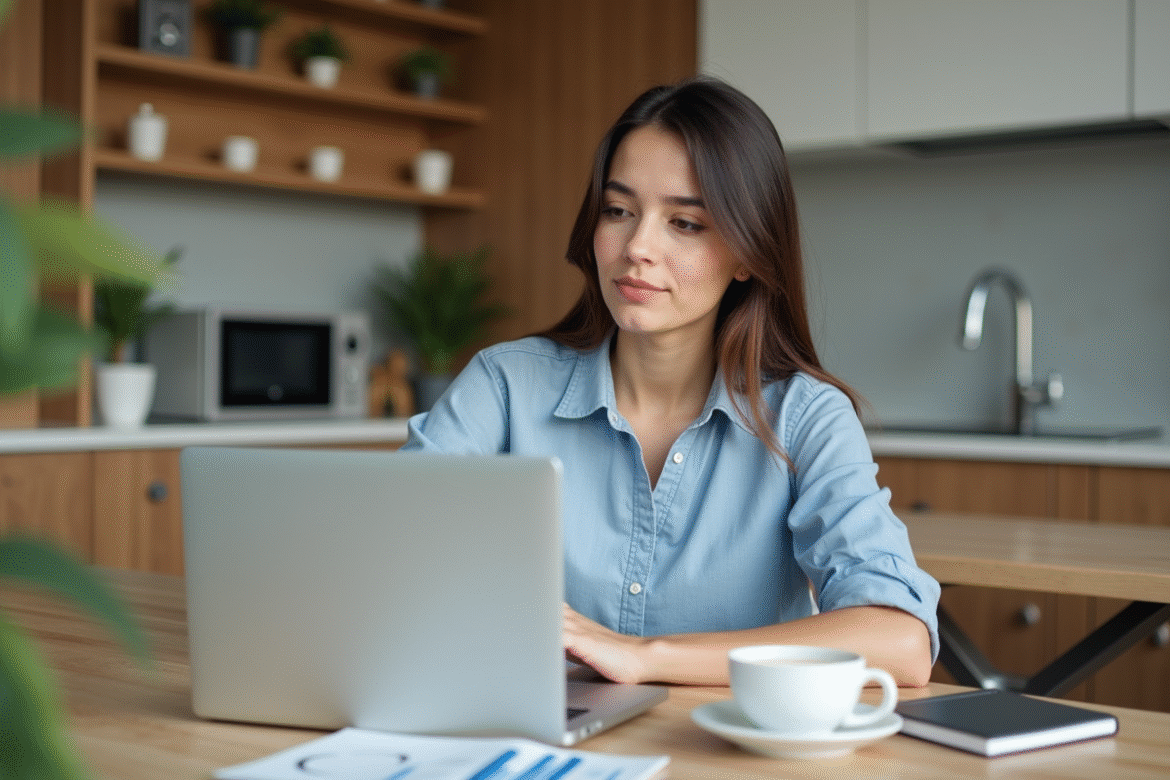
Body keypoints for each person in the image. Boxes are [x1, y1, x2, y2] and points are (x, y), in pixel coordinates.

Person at [400, 76, 940, 687]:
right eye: (618, 211)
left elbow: (901, 640)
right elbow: (384, 562)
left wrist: (646, 655)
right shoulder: (504, 385)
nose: (637, 247)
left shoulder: (806, 417)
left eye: (685, 223)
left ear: (746, 252)